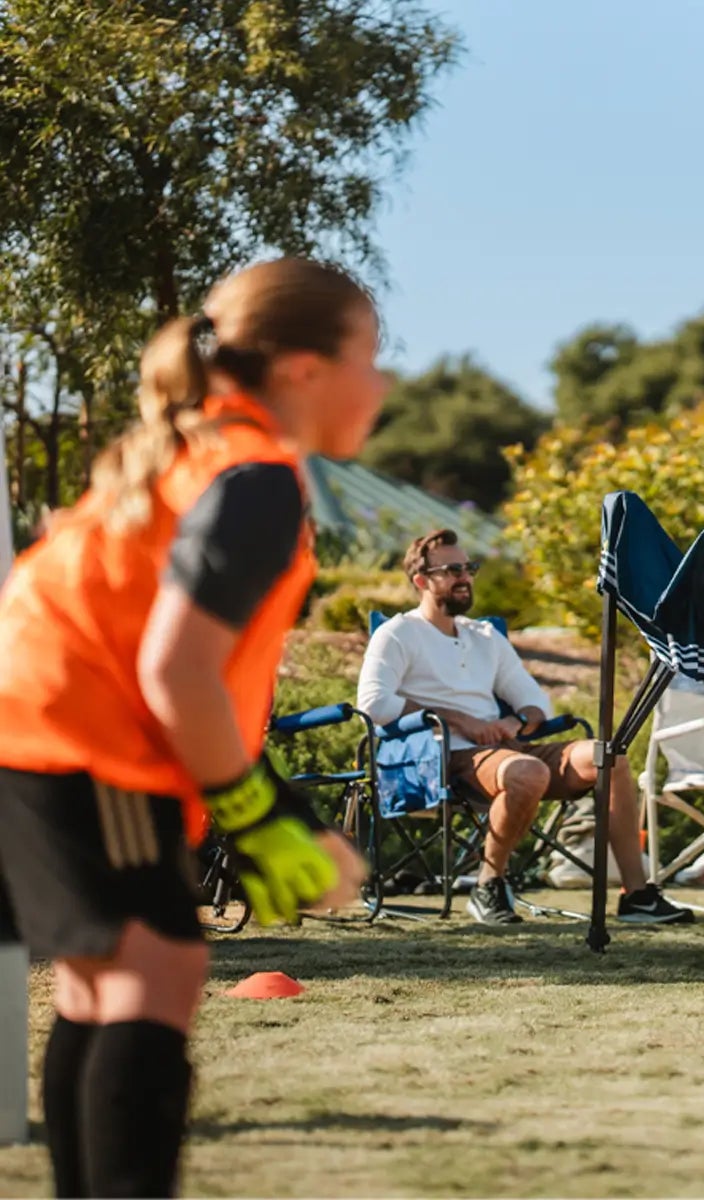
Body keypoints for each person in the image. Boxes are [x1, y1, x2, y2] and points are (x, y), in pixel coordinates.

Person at [0, 259, 378, 1197]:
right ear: (301, 369)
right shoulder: (255, 476)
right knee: (152, 975)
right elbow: (174, 669)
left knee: (103, 984)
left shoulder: (202, 449)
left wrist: (262, 804)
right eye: (371, 355)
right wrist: (259, 814)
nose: (384, 383)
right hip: (77, 739)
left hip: (36, 731)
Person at [357, 529, 691, 927]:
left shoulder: (484, 636)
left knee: (609, 757)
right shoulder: (398, 633)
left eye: (469, 568)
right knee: (527, 770)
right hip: (442, 755)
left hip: (509, 752)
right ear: (421, 581)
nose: (465, 577)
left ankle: (636, 895)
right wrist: (459, 720)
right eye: (452, 570)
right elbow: (374, 703)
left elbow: (536, 703)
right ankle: (487, 886)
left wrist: (513, 720)